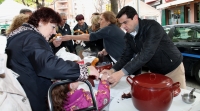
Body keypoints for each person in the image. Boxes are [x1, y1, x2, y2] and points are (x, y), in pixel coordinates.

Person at [6, 7, 99, 111]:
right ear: (41, 21)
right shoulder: (31, 37)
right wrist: (85, 69)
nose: (54, 32)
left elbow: (36, 57)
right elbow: (48, 64)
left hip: (26, 91)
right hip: (33, 96)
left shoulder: (21, 35)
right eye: (53, 27)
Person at [101, 6, 186, 89]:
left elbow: (146, 53)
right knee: (158, 98)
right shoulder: (128, 36)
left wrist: (121, 73)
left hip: (173, 68)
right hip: (155, 71)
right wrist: (112, 70)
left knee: (178, 98)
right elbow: (125, 57)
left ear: (135, 17)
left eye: (125, 22)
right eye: (121, 23)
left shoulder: (152, 27)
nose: (122, 26)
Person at [60, 11, 126, 63]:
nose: (99, 21)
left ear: (108, 21)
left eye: (101, 19)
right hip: (123, 60)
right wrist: (106, 50)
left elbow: (89, 37)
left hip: (123, 62)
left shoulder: (108, 29)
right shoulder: (112, 29)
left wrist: (70, 37)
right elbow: (114, 42)